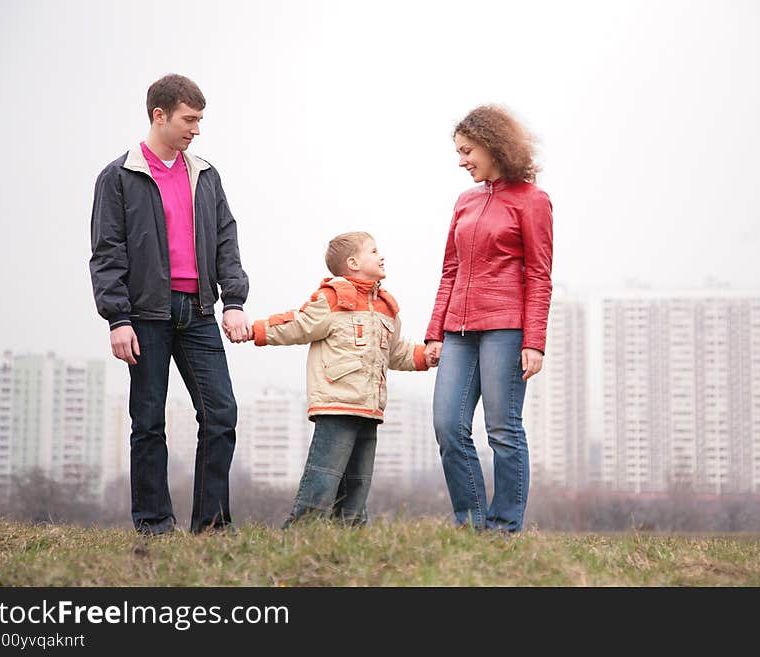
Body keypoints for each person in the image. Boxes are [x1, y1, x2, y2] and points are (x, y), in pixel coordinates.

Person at [89, 74, 251, 535]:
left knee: (221, 413)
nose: (196, 129)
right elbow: (107, 251)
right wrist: (118, 318)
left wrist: (233, 301)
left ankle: (212, 525)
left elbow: (225, 240)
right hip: (145, 317)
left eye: (199, 120)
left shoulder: (205, 175)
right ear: (159, 115)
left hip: (199, 313)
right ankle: (154, 524)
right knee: (148, 421)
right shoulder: (118, 178)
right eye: (189, 119)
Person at [424, 105, 554, 533]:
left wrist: (534, 341)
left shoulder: (533, 201)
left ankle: (504, 528)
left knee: (502, 429)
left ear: (493, 146)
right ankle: (471, 522)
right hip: (458, 331)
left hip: (506, 328)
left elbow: (538, 275)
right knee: (448, 425)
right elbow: (449, 270)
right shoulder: (465, 201)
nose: (461, 161)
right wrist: (434, 333)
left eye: (467, 151)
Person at [249, 232, 429, 526]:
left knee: (358, 480)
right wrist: (257, 330)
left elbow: (396, 352)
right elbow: (297, 324)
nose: (381, 256)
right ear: (353, 263)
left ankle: (349, 532)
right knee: (324, 475)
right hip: (336, 404)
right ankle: (301, 531)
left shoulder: (387, 308)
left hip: (370, 409)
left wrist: (425, 356)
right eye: (374, 251)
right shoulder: (332, 299)